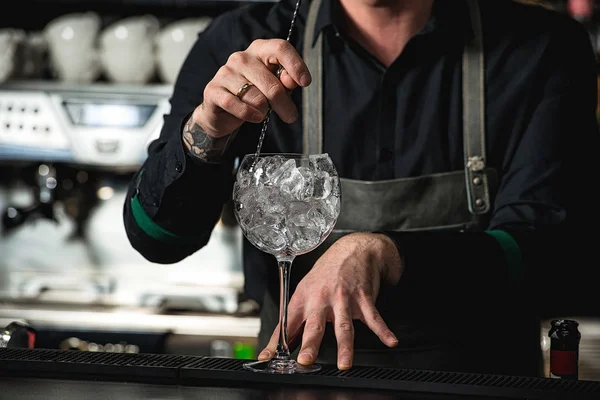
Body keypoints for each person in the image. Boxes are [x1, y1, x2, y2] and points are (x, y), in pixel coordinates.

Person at [123, 0, 599, 377]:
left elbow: (553, 255)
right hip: (296, 381)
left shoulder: (542, 48)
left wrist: (384, 253)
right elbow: (159, 240)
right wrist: (207, 133)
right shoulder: (237, 43)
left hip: (480, 380)